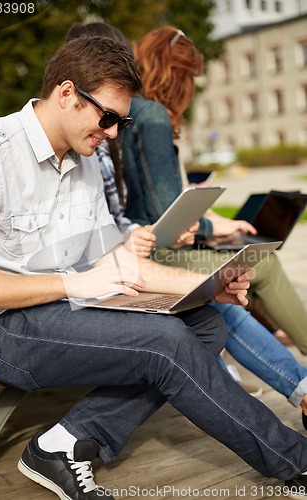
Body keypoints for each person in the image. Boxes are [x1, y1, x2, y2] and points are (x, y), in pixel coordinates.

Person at [0, 35, 307, 500]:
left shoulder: (86, 160)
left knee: (207, 326)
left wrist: (210, 284)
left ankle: (65, 442)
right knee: (165, 342)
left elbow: (121, 263)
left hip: (69, 308)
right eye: (107, 117)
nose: (113, 132)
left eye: (120, 121)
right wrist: (75, 282)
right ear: (67, 93)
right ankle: (295, 461)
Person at [66, 21, 307, 417]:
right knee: (246, 273)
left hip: (134, 252)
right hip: (135, 261)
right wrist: (206, 226)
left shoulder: (111, 129)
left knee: (227, 291)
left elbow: (119, 216)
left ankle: (294, 388)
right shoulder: (146, 119)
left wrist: (163, 228)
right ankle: (291, 387)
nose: (111, 132)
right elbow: (158, 214)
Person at [120, 25, 307, 359]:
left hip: (135, 247)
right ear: (178, 76)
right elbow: (171, 223)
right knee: (263, 263)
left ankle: (286, 380)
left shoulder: (124, 113)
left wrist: (210, 220)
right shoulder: (155, 118)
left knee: (245, 260)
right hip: (157, 255)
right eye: (191, 78)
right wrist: (212, 228)